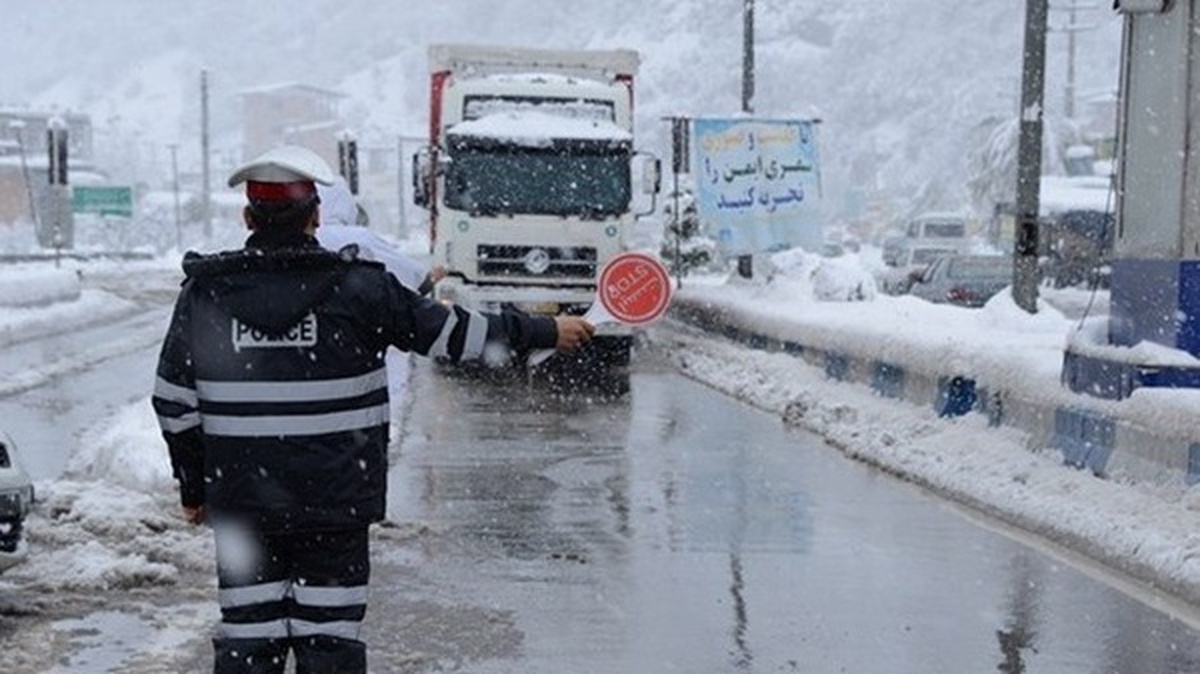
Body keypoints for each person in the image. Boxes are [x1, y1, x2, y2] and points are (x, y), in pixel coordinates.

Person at [150, 144, 594, 674]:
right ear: (316, 217)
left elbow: (173, 402)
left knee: (249, 643)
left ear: (248, 218)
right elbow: (452, 334)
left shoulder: (205, 296)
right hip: (334, 507)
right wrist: (544, 329)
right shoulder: (361, 289)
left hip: (246, 510)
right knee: (330, 643)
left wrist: (196, 488)